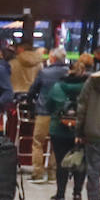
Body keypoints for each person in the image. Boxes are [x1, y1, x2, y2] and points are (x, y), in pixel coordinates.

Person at [46, 56, 92, 200]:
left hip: (58, 129)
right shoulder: (90, 87)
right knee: (80, 161)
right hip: (82, 130)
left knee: (61, 162)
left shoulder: (58, 86)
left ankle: (60, 194)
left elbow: (48, 105)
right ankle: (77, 193)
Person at [28, 46, 71, 184]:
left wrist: (31, 105)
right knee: (56, 144)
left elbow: (33, 90)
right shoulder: (69, 72)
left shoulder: (44, 72)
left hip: (43, 111)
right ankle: (53, 173)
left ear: (52, 58)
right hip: (62, 114)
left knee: (38, 142)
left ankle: (38, 173)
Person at [73, 58, 100, 200]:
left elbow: (82, 107)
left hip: (94, 133)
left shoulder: (92, 81)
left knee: (93, 172)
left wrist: (79, 131)